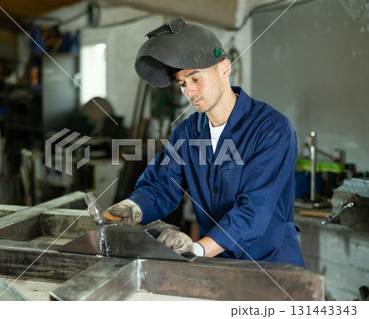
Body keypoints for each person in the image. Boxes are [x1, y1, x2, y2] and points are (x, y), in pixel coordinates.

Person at [106, 16, 305, 267]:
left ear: (224, 68)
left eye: (195, 78)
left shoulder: (272, 129)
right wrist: (133, 207)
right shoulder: (187, 133)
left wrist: (197, 249)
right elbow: (162, 186)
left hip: (272, 267)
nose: (189, 92)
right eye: (182, 84)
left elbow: (254, 211)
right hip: (218, 264)